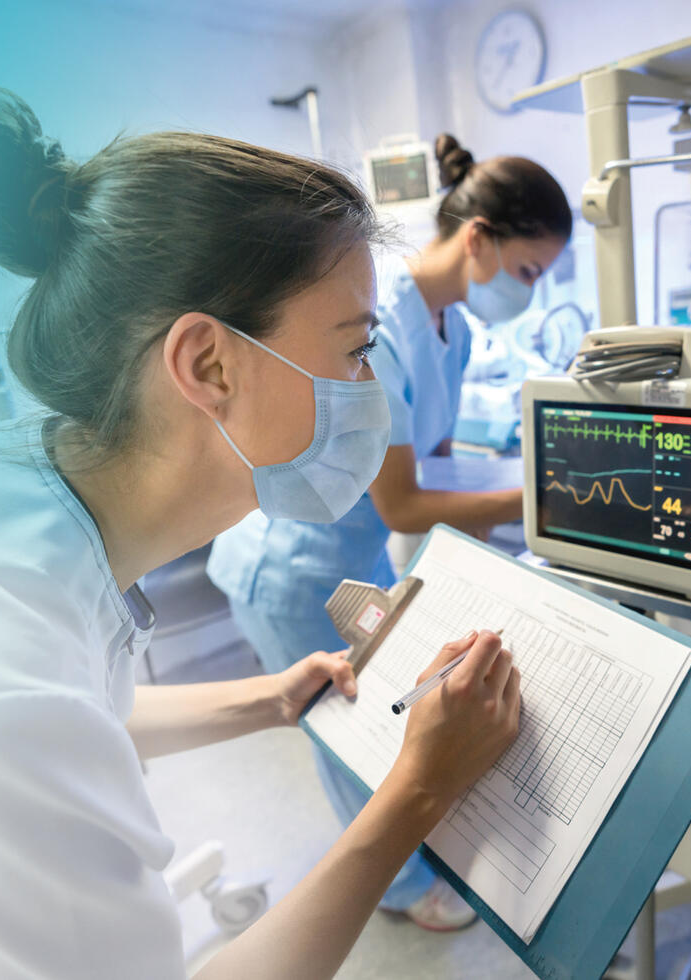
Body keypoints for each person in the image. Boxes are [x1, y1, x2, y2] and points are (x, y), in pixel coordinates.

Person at [0, 88, 520, 979]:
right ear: (208, 364)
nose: (370, 385)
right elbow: (26, 718)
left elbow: (86, 712)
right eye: (356, 348)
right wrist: (417, 790)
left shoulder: (19, 498)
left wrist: (265, 698)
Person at [206, 133, 570, 929]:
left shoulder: (459, 328)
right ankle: (402, 892)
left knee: (379, 707)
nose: (529, 292)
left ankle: (406, 843)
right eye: (527, 271)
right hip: (294, 565)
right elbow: (406, 503)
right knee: (341, 725)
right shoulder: (387, 325)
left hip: (353, 556)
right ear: (478, 239)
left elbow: (430, 468)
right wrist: (540, 502)